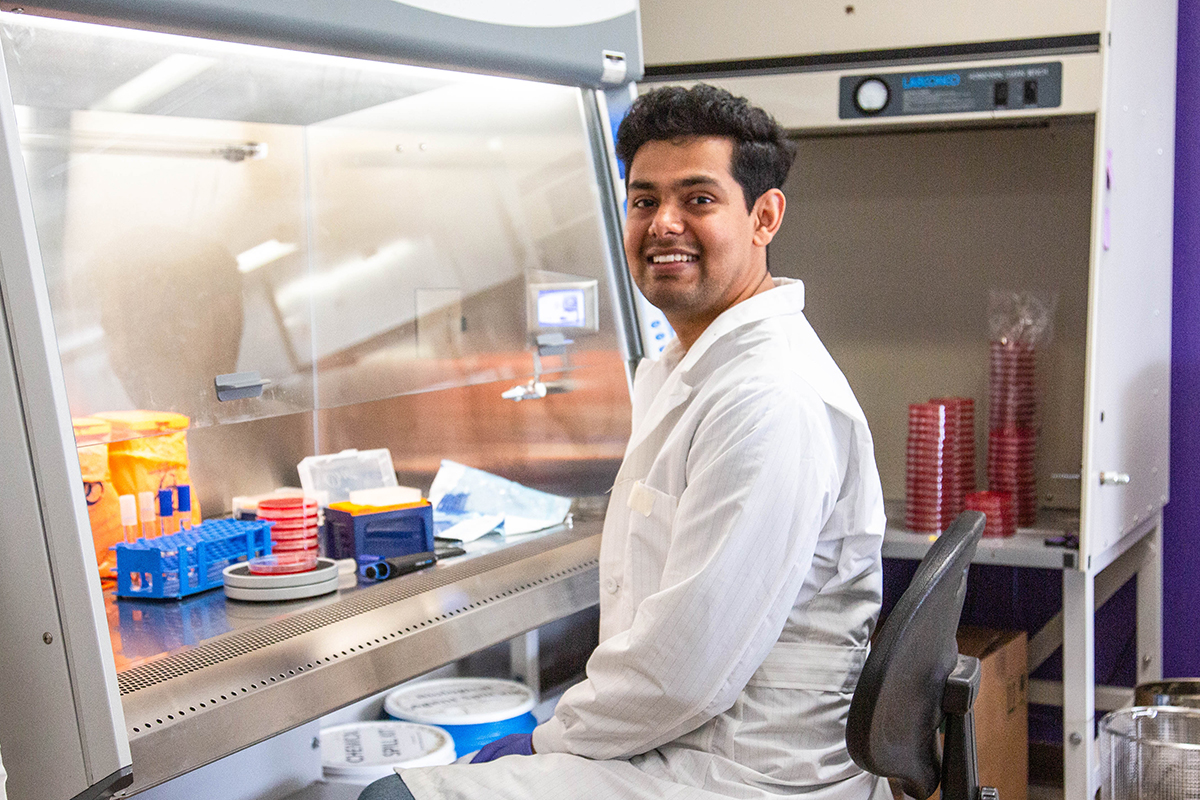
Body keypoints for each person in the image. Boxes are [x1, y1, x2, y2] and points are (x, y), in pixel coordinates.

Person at [362, 84, 888, 800]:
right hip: (685, 740)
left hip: (739, 774)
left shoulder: (767, 397)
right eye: (644, 201)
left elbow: (686, 667)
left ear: (764, 216)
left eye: (698, 199)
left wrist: (549, 739)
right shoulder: (694, 368)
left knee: (388, 798)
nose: (664, 223)